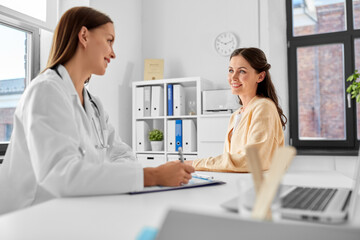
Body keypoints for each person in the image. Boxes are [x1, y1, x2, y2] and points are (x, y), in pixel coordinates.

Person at [0, 6, 194, 215]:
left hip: (73, 211)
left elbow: (123, 154)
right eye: (109, 40)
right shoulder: (45, 91)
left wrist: (122, 177)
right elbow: (60, 176)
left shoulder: (93, 104)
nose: (113, 53)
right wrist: (153, 176)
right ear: (84, 35)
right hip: (30, 217)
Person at [186, 48, 286, 172]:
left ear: (260, 76)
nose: (233, 77)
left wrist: (194, 164)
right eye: (230, 70)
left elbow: (254, 160)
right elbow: (229, 161)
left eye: (242, 71)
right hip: (237, 182)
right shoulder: (236, 115)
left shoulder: (264, 107)